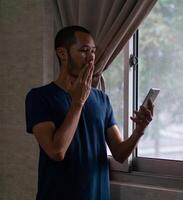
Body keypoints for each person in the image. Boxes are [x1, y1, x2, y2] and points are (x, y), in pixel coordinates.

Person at [25, 25, 154, 200]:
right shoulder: (39, 97)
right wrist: (78, 102)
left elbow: (120, 154)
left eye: (93, 52)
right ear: (63, 54)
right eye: (84, 51)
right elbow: (56, 152)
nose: (91, 58)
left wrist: (139, 130)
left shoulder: (102, 99)